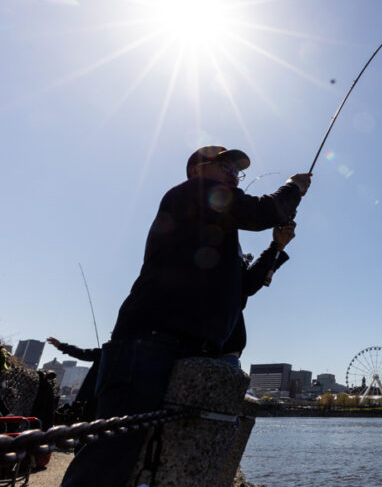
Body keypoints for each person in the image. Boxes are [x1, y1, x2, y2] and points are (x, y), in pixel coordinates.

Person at [61, 145, 311, 487]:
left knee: (159, 455)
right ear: (196, 170)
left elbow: (245, 288)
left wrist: (275, 249)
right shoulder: (191, 193)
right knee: (110, 453)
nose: (233, 173)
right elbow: (263, 210)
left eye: (236, 170)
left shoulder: (222, 233)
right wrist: (293, 187)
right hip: (150, 342)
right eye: (224, 165)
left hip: (192, 349)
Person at [220, 220, 297, 362]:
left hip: (225, 349)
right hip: (203, 347)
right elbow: (247, 285)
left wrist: (277, 247)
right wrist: (292, 198)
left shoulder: (226, 238)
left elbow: (247, 284)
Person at [46, 337, 101, 422]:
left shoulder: (104, 353)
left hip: (89, 400)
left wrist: (61, 346)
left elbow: (81, 353)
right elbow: (81, 353)